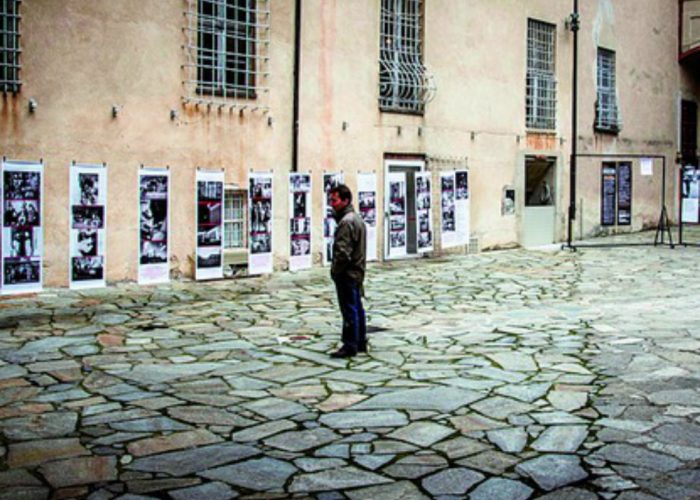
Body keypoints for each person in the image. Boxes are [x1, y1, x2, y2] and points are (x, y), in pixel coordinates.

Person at [329, 184, 367, 358]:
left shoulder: (346, 222)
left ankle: (350, 344)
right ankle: (360, 341)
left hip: (348, 272)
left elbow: (343, 253)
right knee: (357, 306)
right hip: (357, 270)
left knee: (349, 308)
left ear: (345, 200)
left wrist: (335, 271)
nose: (332, 203)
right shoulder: (357, 219)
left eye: (335, 200)